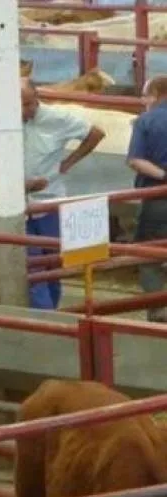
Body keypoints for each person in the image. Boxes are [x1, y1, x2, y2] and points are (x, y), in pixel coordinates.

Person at [21, 77, 105, 310]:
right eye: (19, 104)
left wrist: (69, 162)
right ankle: (48, 320)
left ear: (37, 99)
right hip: (18, 205)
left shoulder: (57, 118)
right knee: (33, 266)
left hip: (50, 201)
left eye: (28, 104)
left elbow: (96, 133)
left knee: (53, 266)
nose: (24, 110)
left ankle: (52, 313)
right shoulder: (3, 121)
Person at [127, 76, 167, 322]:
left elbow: (135, 160)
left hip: (156, 198)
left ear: (157, 93)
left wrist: (163, 175)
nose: (143, 101)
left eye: (145, 96)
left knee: (149, 253)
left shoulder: (146, 121)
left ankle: (157, 309)